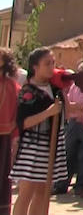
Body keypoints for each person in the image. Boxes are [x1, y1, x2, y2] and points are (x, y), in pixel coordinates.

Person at [10, 48, 67, 215]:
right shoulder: (28, 92)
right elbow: (23, 123)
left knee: (43, 194)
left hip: (52, 145)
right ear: (35, 66)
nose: (51, 67)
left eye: (53, 63)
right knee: (26, 193)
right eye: (47, 63)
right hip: (32, 147)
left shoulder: (55, 89)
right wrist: (48, 112)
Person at [52, 79, 83, 196]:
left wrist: (78, 107)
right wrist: (77, 107)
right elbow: (67, 105)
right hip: (73, 122)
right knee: (68, 153)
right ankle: (61, 185)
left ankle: (80, 185)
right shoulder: (74, 87)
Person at [0, 49, 19, 214]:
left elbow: (15, 111)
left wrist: (14, 135)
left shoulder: (11, 85)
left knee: (2, 174)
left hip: (4, 136)